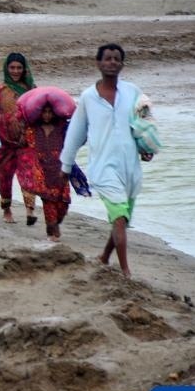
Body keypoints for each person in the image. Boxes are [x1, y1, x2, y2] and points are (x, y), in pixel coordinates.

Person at [60, 44, 153, 279]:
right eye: (108, 58)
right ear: (98, 63)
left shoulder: (132, 92)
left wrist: (147, 147)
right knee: (119, 217)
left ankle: (104, 257)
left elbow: (144, 121)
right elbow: (75, 133)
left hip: (130, 168)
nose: (112, 62)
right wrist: (66, 165)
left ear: (122, 64)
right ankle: (125, 271)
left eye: (116, 59)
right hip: (103, 168)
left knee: (122, 218)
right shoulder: (88, 97)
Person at [0, 52, 37, 224]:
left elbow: (37, 114)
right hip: (4, 143)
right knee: (5, 177)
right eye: (12, 68)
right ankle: (7, 210)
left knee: (28, 174)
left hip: (26, 142)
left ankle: (30, 210)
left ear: (24, 69)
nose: (15, 71)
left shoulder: (32, 90)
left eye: (19, 68)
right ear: (7, 69)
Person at [20, 104, 72, 242]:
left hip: (60, 170)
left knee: (63, 203)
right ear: (39, 113)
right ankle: (52, 230)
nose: (47, 115)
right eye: (44, 112)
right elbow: (23, 144)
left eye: (50, 112)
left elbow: (75, 140)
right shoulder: (33, 129)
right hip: (42, 171)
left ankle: (55, 224)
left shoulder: (61, 128)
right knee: (48, 201)